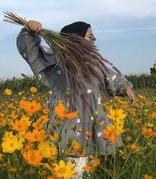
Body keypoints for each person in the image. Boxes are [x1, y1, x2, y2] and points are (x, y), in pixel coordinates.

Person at [17, 20, 135, 178]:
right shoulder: (58, 62)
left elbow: (113, 78)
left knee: (88, 172)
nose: (93, 41)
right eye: (90, 37)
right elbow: (31, 52)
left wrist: (126, 88)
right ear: (76, 39)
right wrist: (29, 32)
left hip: (92, 131)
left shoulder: (94, 63)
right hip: (69, 132)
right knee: (72, 172)